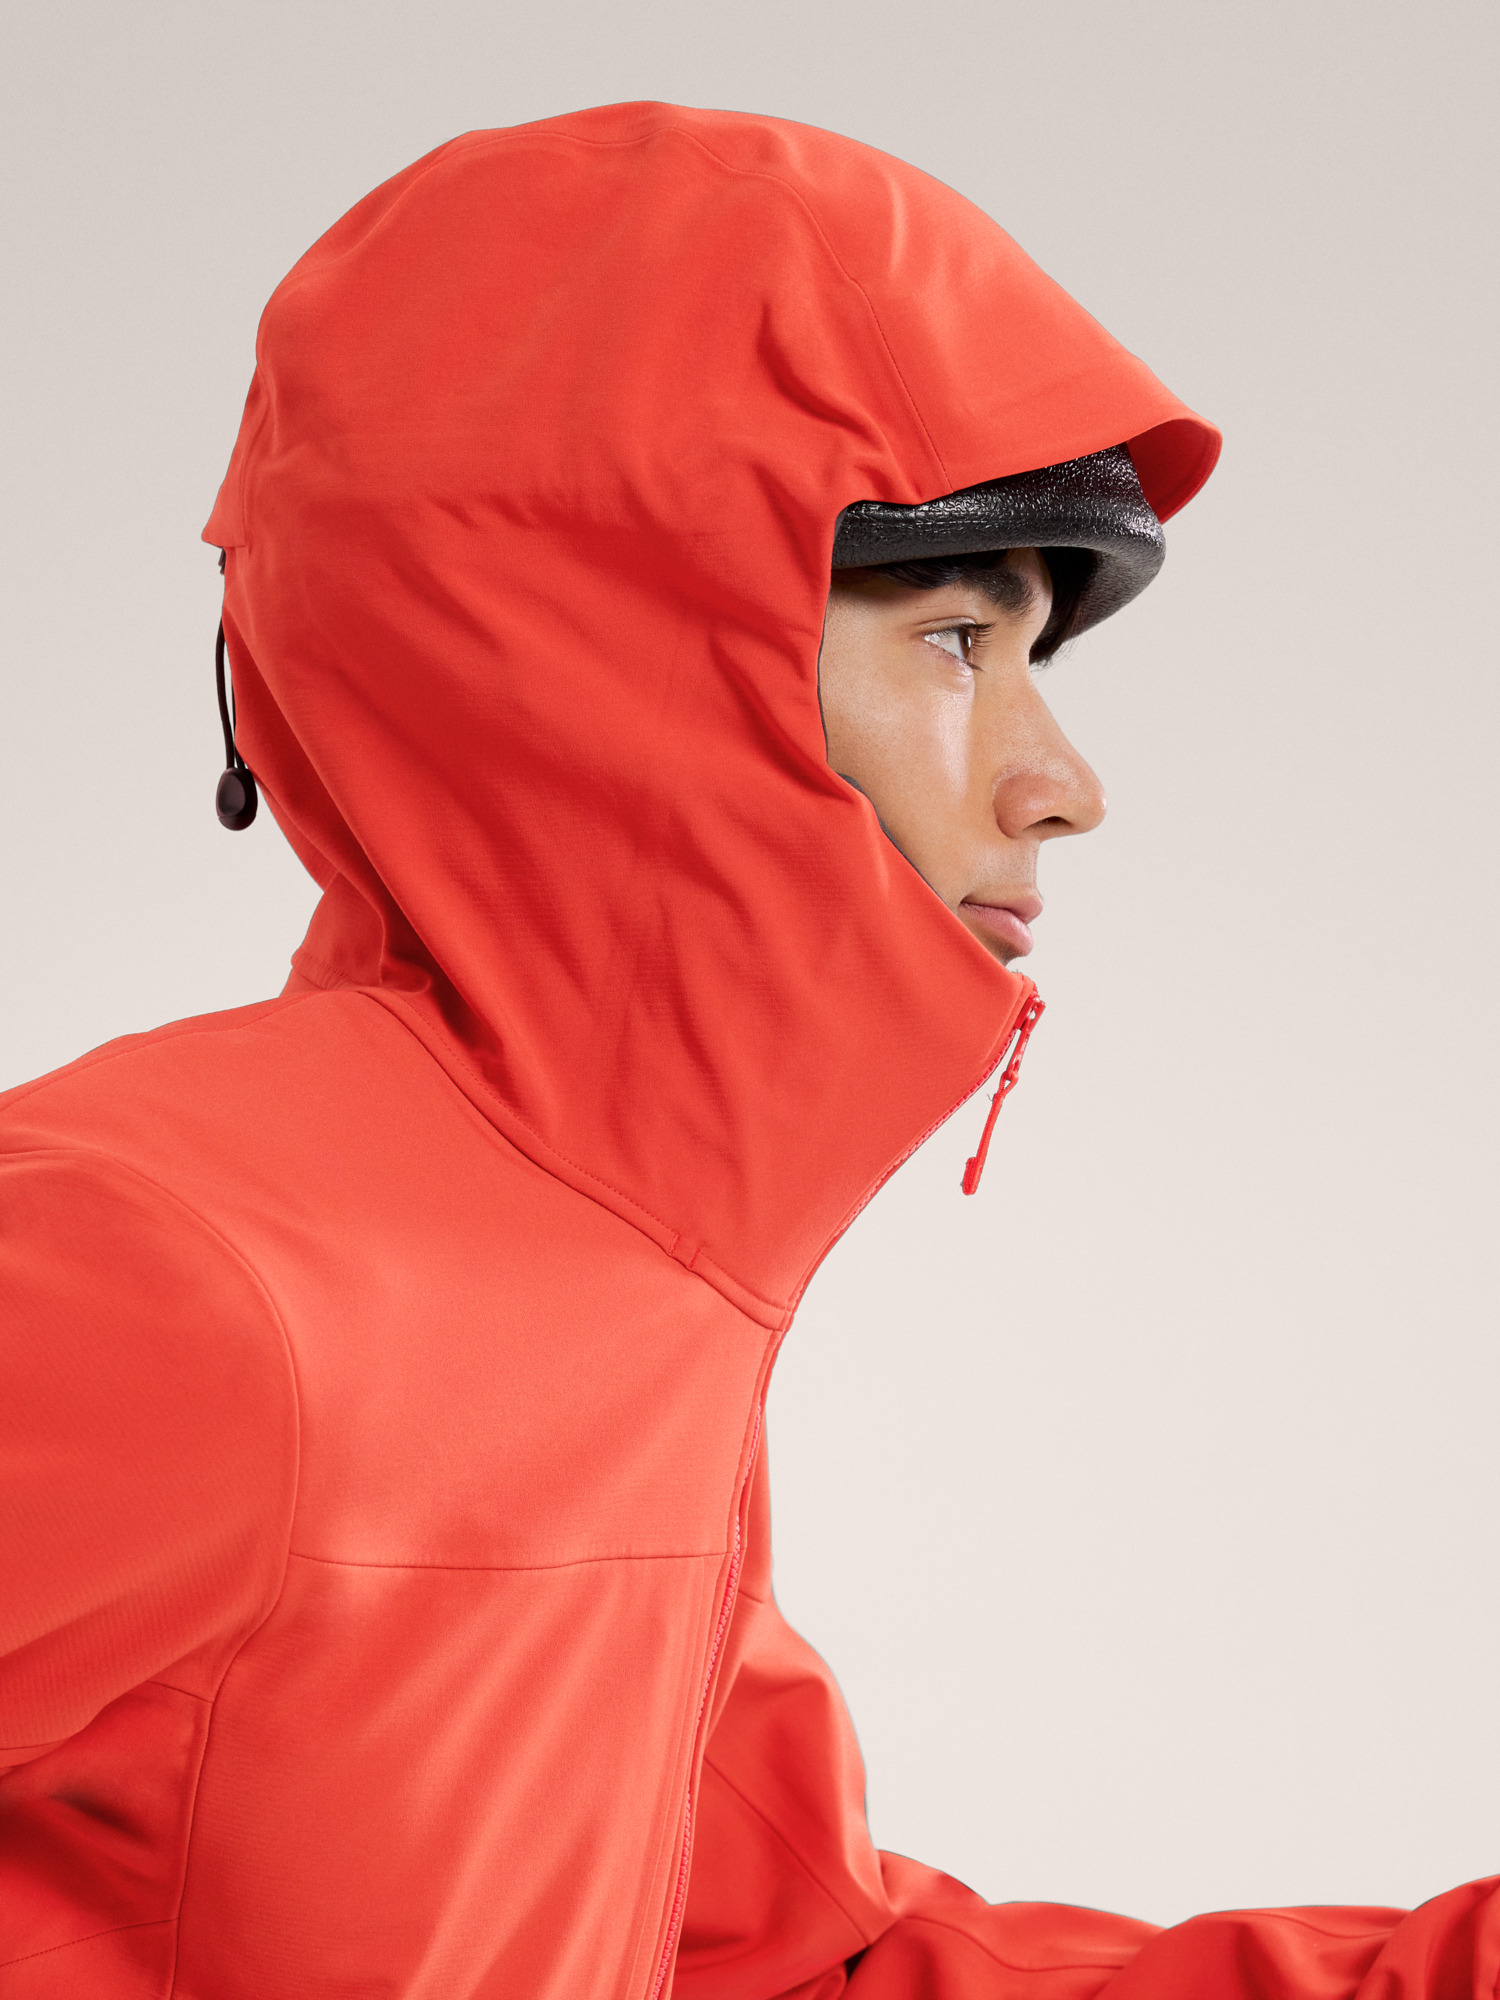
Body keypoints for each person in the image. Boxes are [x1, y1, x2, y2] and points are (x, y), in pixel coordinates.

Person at [0, 100, 1491, 2000]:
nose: (1061, 782)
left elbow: (782, 1963)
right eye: (953, 640)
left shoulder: (628, 1308)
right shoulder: (155, 1267)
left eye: (1037, 657)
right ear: (606, 657)